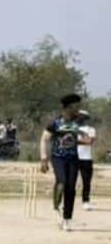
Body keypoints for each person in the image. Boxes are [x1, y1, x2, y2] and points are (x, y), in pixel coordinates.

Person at [41, 94, 84, 231]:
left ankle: (67, 218)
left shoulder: (78, 121)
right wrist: (43, 157)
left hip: (73, 158)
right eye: (76, 105)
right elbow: (44, 139)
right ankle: (56, 207)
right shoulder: (55, 123)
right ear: (69, 107)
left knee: (71, 188)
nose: (78, 108)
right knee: (62, 181)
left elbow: (78, 134)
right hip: (58, 157)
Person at [77, 109, 96, 211]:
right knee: (69, 181)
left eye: (81, 117)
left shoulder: (91, 129)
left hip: (86, 159)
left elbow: (90, 142)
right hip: (74, 158)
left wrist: (76, 141)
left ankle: (86, 201)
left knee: (86, 182)